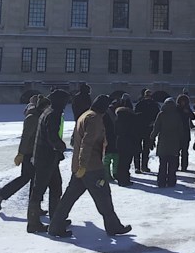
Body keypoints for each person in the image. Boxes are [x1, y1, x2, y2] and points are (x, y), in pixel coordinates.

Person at [48, 95, 132, 238]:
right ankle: (113, 226)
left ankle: (55, 226)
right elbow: (87, 143)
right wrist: (83, 164)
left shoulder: (85, 115)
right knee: (103, 195)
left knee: (69, 197)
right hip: (91, 167)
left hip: (80, 167)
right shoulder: (94, 119)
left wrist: (79, 166)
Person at [0, 94, 49, 210]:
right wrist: (21, 153)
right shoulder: (32, 117)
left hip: (34, 152)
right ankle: (1, 194)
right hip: (29, 153)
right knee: (27, 178)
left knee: (33, 179)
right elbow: (25, 137)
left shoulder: (36, 115)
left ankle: (34, 206)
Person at [27, 89, 69, 233]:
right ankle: (33, 223)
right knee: (39, 190)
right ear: (59, 101)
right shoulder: (53, 114)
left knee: (56, 186)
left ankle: (56, 218)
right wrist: (61, 146)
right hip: (46, 158)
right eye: (64, 101)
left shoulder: (48, 111)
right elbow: (52, 137)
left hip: (46, 157)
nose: (66, 104)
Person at [151, 97, 187, 187]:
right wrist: (181, 140)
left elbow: (156, 128)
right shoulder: (177, 115)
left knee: (162, 164)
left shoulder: (161, 114)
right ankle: (171, 181)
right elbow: (180, 130)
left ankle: (161, 182)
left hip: (163, 141)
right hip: (174, 143)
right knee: (172, 164)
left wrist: (152, 137)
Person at [133, 89, 161, 173]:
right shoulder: (142, 104)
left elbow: (157, 117)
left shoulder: (152, 105)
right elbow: (135, 115)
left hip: (146, 129)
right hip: (141, 128)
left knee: (145, 149)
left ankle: (143, 166)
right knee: (139, 149)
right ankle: (138, 167)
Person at [113, 94, 137, 186]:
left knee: (121, 161)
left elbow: (115, 131)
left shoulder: (118, 117)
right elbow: (134, 131)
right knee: (127, 162)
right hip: (129, 141)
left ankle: (121, 179)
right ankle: (125, 179)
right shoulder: (131, 116)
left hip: (120, 141)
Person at [176, 94, 194, 171]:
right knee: (176, 151)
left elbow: (193, 117)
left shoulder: (187, 108)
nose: (183, 103)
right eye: (181, 101)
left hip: (186, 132)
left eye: (184, 101)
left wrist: (188, 112)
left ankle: (184, 166)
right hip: (177, 132)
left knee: (185, 151)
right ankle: (175, 165)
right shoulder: (176, 109)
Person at [103, 99, 119, 182]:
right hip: (115, 138)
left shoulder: (104, 113)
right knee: (116, 158)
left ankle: (107, 175)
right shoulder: (118, 113)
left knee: (107, 158)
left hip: (107, 138)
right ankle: (115, 173)